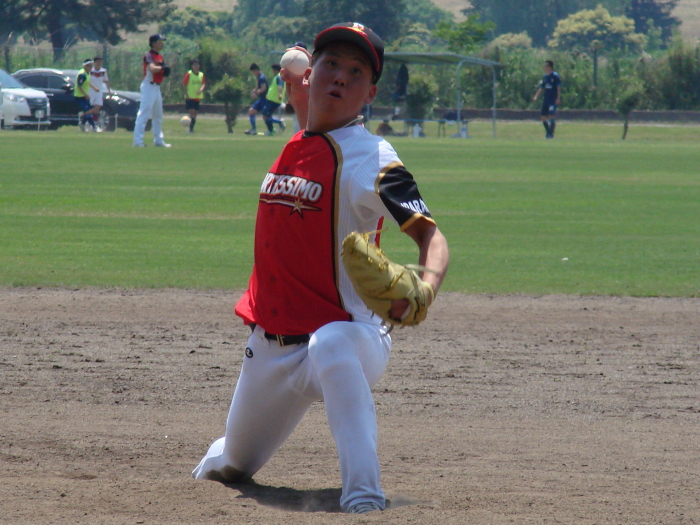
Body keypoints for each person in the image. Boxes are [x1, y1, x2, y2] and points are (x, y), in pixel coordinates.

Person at [191, 22, 450, 515]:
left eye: (356, 72)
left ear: (370, 94)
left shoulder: (372, 158)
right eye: (331, 64)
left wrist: (427, 286)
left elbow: (430, 237)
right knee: (229, 465)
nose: (341, 77)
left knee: (329, 342)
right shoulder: (303, 135)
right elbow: (312, 120)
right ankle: (216, 463)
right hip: (270, 349)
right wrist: (296, 86)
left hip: (351, 337)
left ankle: (364, 495)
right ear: (313, 75)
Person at [133, 33, 171, 148]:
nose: (162, 43)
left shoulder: (159, 56)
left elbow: (161, 71)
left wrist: (165, 70)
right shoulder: (149, 55)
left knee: (158, 115)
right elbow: (152, 68)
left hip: (156, 87)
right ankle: (137, 141)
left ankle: (158, 140)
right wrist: (162, 68)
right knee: (144, 114)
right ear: (154, 43)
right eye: (160, 41)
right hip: (148, 86)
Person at [532, 60, 561, 139]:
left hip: (553, 99)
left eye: (545, 66)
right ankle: (548, 132)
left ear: (550, 67)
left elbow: (558, 87)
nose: (544, 68)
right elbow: (542, 87)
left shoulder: (555, 76)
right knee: (543, 117)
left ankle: (550, 134)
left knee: (551, 116)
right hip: (546, 99)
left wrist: (558, 98)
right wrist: (536, 96)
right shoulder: (545, 77)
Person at [87, 56, 111, 132]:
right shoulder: (90, 71)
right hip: (90, 92)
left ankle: (94, 123)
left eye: (100, 61)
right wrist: (94, 88)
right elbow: (87, 81)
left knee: (97, 107)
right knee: (91, 107)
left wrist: (109, 92)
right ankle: (88, 121)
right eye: (98, 61)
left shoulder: (103, 71)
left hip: (99, 92)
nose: (99, 63)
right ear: (94, 62)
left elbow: (106, 81)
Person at [261, 64, 286, 135]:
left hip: (274, 100)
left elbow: (280, 86)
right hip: (272, 99)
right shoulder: (277, 76)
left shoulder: (279, 76)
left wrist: (280, 94)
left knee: (265, 114)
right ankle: (271, 130)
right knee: (266, 115)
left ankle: (277, 124)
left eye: (273, 70)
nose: (272, 71)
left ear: (275, 70)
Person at [183, 58, 206, 133]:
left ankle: (191, 128)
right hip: (190, 97)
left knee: (195, 114)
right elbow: (184, 84)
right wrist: (186, 94)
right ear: (192, 66)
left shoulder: (201, 74)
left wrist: (201, 90)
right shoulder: (189, 74)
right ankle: (190, 128)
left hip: (197, 97)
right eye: (194, 64)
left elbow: (203, 84)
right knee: (192, 112)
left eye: (197, 64)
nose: (196, 66)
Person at [244, 63, 268, 135]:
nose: (253, 73)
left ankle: (279, 122)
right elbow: (258, 86)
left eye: (253, 72)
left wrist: (256, 93)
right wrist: (254, 90)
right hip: (261, 99)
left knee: (266, 115)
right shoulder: (259, 77)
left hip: (265, 99)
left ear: (256, 70)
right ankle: (253, 129)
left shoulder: (262, 77)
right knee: (251, 111)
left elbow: (264, 88)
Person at [74, 58, 96, 132]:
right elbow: (79, 86)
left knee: (89, 111)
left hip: (84, 96)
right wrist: (85, 95)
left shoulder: (87, 73)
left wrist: (94, 88)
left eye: (91, 66)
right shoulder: (82, 74)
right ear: (85, 66)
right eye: (89, 66)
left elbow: (88, 82)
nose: (90, 67)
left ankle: (82, 123)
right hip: (79, 96)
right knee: (87, 111)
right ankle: (94, 127)